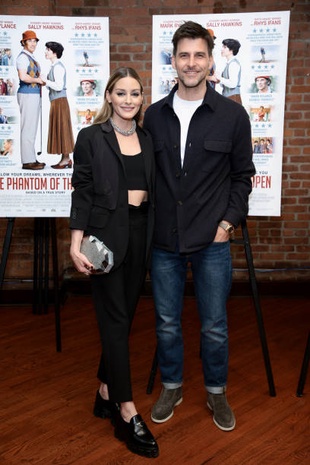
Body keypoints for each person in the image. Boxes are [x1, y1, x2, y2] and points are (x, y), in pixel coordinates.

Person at [143, 21, 255, 432]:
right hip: (164, 239)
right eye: (184, 55)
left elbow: (243, 175)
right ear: (173, 60)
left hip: (212, 239)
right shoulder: (154, 116)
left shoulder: (233, 116)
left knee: (214, 324)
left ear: (211, 60)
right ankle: (172, 385)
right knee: (167, 322)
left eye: (199, 55)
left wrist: (227, 223)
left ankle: (216, 391)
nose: (191, 63)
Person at [69, 67, 159, 459]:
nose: (127, 99)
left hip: (141, 234)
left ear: (142, 99)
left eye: (134, 94)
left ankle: (104, 391)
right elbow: (82, 191)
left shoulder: (148, 139)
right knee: (116, 320)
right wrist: (76, 243)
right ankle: (125, 409)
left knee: (123, 317)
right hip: (104, 237)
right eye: (120, 93)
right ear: (108, 96)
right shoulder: (91, 137)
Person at [16, 30, 45, 170]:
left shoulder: (30, 56)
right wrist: (37, 80)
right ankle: (27, 161)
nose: (33, 43)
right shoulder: (22, 57)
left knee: (31, 127)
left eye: (35, 41)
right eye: (30, 41)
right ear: (24, 42)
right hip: (27, 94)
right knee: (28, 127)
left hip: (33, 94)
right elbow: (23, 76)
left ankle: (31, 158)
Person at [44, 41, 75, 169]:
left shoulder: (58, 67)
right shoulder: (54, 66)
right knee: (61, 128)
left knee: (62, 128)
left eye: (48, 50)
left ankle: (66, 159)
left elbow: (59, 86)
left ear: (55, 53)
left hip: (59, 101)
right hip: (56, 101)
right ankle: (65, 158)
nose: (46, 52)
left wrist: (45, 81)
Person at [215, 38, 242, 104]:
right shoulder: (228, 63)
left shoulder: (233, 64)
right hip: (229, 97)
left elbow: (233, 84)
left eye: (224, 47)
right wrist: (219, 79)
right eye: (222, 47)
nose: (222, 49)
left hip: (233, 98)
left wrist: (220, 78)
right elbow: (224, 85)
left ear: (231, 50)